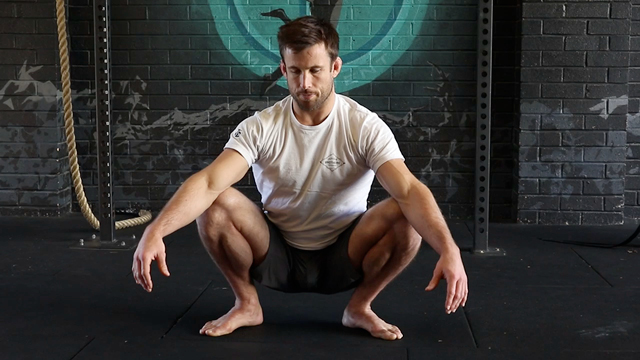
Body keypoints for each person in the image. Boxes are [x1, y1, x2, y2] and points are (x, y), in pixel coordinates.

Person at [132, 15, 468, 341]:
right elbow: (208, 183)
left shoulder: (364, 126)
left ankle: (360, 308)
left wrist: (449, 249)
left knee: (404, 215)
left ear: (335, 68)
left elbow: (409, 190)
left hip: (345, 253)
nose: (305, 83)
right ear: (284, 70)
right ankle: (247, 304)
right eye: (296, 71)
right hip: (275, 252)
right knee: (215, 203)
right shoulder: (261, 126)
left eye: (315, 71)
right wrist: (156, 230)